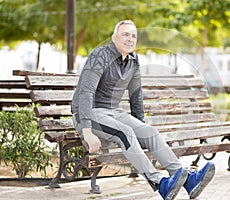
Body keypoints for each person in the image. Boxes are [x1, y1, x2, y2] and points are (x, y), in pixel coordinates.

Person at [71, 20, 215, 200]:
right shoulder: (100, 55)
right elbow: (86, 91)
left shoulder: (133, 60)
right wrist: (87, 131)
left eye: (133, 36)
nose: (130, 39)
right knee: (125, 132)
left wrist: (141, 124)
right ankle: (160, 184)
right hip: (88, 113)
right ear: (114, 37)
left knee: (149, 131)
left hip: (112, 112)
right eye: (125, 34)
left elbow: (136, 94)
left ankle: (188, 181)